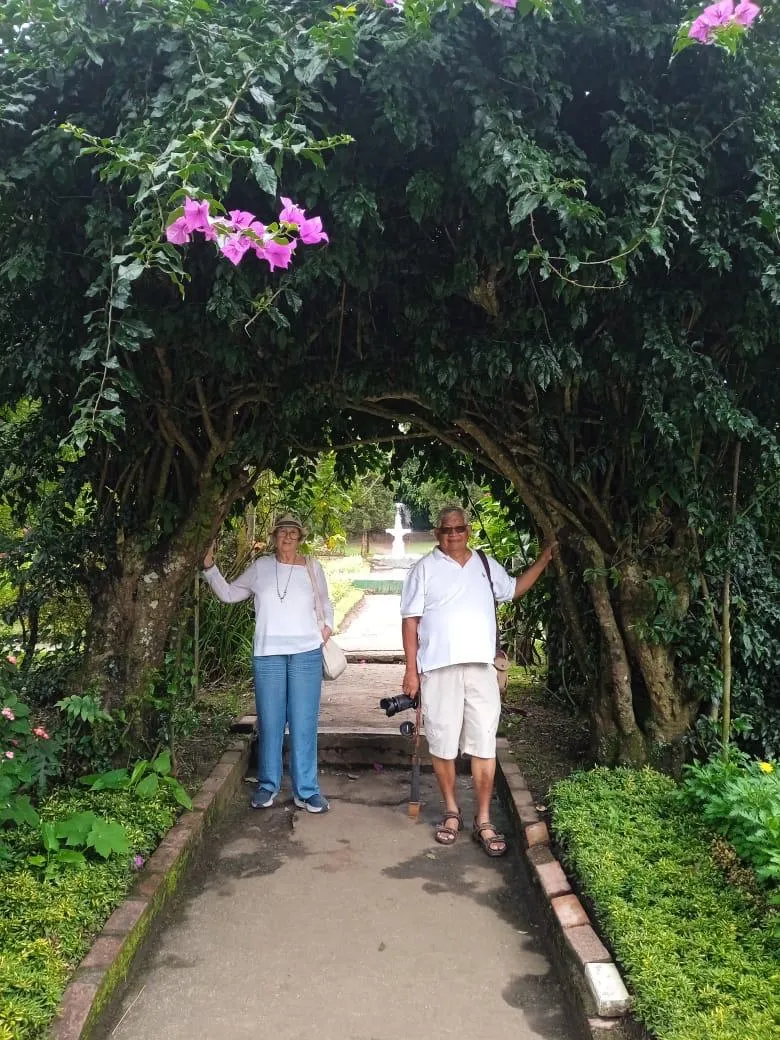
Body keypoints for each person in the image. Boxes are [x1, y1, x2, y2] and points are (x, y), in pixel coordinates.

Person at [400, 506, 557, 856]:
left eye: (459, 529)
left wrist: (543, 560)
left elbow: (513, 589)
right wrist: (411, 670)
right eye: (446, 530)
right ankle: (451, 812)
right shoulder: (423, 568)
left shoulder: (485, 564)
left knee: (484, 743)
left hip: (481, 668)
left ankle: (483, 819)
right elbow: (410, 621)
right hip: (438, 669)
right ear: (437, 533)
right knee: (442, 742)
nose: (453, 535)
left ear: (468, 531)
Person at [202, 512, 334, 813]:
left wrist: (327, 628)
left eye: (293, 532)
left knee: (303, 722)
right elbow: (229, 593)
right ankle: (267, 784)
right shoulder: (261, 567)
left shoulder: (313, 567)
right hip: (268, 653)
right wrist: (209, 567)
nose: (287, 536)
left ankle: (307, 790)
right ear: (274, 537)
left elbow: (325, 603)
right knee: (270, 720)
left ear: (300, 538)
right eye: (282, 531)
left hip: (306, 653)